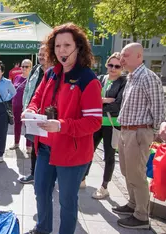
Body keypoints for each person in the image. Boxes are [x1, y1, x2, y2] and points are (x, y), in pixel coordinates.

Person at [23, 23, 102, 234]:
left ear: (79, 47)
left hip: (72, 153)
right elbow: (37, 98)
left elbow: (94, 122)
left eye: (67, 45)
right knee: (41, 192)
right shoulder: (50, 74)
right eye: (57, 46)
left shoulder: (88, 80)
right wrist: (30, 110)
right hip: (46, 148)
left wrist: (61, 125)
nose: (61, 50)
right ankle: (42, 229)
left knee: (67, 201)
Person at [112, 43, 165, 229]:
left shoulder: (148, 77)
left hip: (138, 132)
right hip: (127, 131)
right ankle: (133, 205)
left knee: (137, 174)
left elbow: (158, 107)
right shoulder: (132, 77)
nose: (122, 59)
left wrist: (156, 131)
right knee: (127, 172)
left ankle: (141, 216)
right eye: (122, 55)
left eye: (125, 55)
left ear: (139, 56)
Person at [81, 53, 126, 198]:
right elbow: (89, 99)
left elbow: (118, 105)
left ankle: (104, 186)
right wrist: (105, 100)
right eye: (110, 65)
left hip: (112, 124)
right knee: (88, 151)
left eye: (117, 66)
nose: (113, 68)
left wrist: (98, 102)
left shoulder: (123, 82)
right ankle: (82, 179)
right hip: (95, 122)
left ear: (121, 68)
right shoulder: (100, 79)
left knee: (109, 156)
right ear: (106, 65)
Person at [19, 45, 51, 184]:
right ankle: (34, 174)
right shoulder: (35, 70)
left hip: (50, 115)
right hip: (33, 113)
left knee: (49, 146)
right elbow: (27, 90)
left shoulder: (57, 72)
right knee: (34, 144)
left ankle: (50, 176)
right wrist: (25, 108)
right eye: (40, 53)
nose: (41, 56)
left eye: (44, 54)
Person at [10, 59, 33, 152]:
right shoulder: (17, 77)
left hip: (27, 106)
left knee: (28, 125)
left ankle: (29, 146)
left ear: (31, 68)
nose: (24, 68)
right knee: (17, 124)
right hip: (16, 105)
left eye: (26, 66)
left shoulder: (32, 79)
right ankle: (16, 143)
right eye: (22, 66)